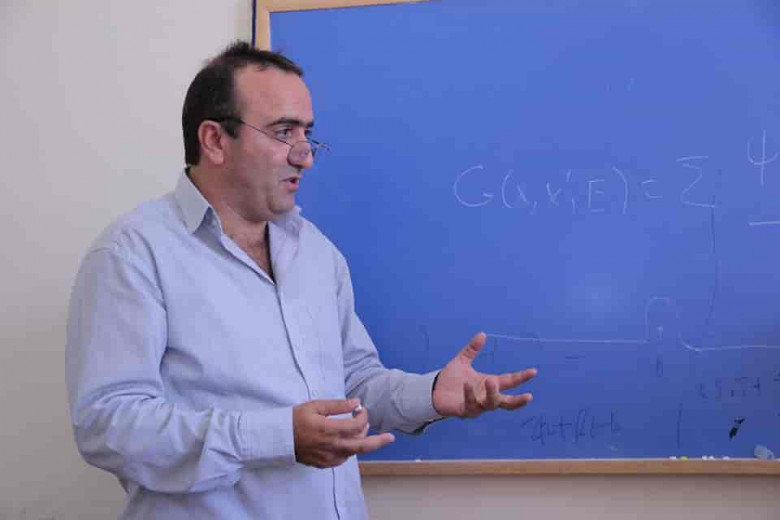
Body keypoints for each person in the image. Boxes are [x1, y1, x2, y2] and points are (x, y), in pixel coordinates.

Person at [65, 41, 538, 519]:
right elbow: (108, 426)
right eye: (283, 131)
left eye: (307, 133)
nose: (305, 155)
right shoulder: (132, 254)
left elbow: (352, 386)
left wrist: (431, 394)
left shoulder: (316, 252)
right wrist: (278, 436)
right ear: (215, 140)